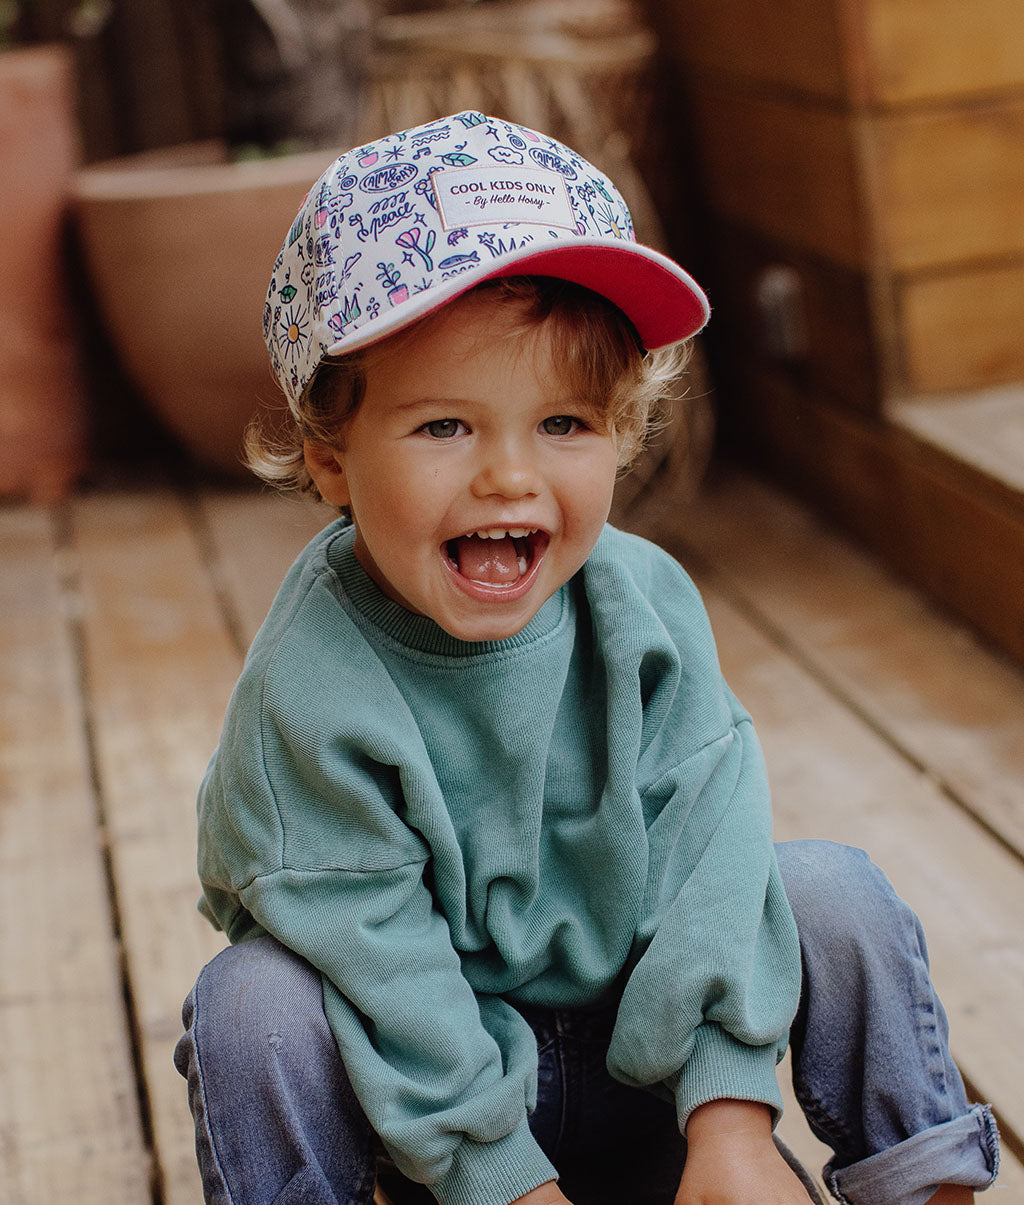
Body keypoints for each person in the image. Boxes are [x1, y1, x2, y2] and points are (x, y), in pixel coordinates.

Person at [174, 112, 998, 1205]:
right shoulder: (311, 690)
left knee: (831, 890)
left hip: (649, 1070)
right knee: (252, 1001)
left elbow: (711, 850)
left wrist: (729, 1120)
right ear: (330, 461)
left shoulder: (641, 605)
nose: (511, 476)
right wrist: (506, 1181)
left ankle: (920, 1188)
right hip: (434, 1109)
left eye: (563, 422)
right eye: (444, 428)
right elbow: (386, 973)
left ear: (621, 427)